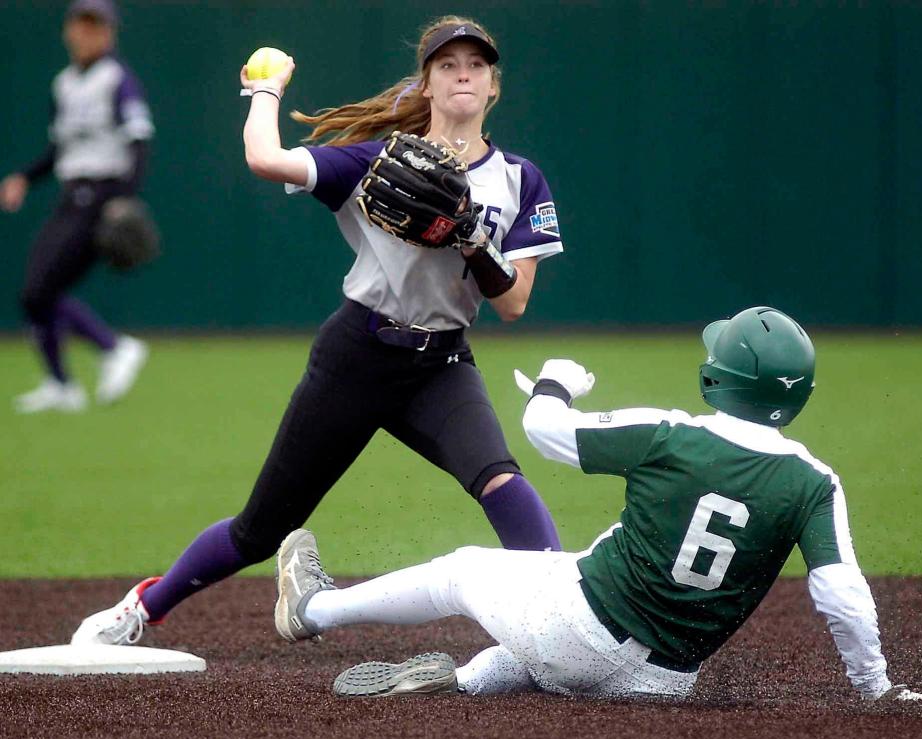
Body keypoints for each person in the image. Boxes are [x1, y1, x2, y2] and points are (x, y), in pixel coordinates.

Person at [71, 16, 564, 645]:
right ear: (428, 83)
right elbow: (264, 159)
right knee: (260, 530)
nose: (463, 73)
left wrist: (470, 234)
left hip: (438, 365)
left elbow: (514, 302)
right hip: (356, 356)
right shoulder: (377, 159)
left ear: (494, 85)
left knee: (500, 478)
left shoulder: (520, 178)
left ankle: (561, 611)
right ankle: (143, 607)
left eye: (476, 64)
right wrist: (265, 90)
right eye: (448, 64)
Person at [270, 306, 922, 702]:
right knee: (553, 611)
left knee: (463, 570)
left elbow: (543, 431)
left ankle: (312, 609)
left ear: (720, 377)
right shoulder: (814, 480)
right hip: (666, 684)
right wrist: (875, 687)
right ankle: (471, 681)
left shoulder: (673, 436)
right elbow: (842, 593)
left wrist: (556, 382)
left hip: (579, 631)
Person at [0, 0, 151, 413]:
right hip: (71, 192)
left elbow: (139, 142)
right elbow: (59, 148)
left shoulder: (116, 79)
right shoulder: (64, 83)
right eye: (81, 25)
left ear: (109, 33)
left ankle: (113, 348)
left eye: (96, 26)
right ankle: (62, 384)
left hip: (101, 194)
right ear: (69, 31)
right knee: (36, 294)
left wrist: (122, 199)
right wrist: (24, 178)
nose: (87, 33)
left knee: (39, 290)